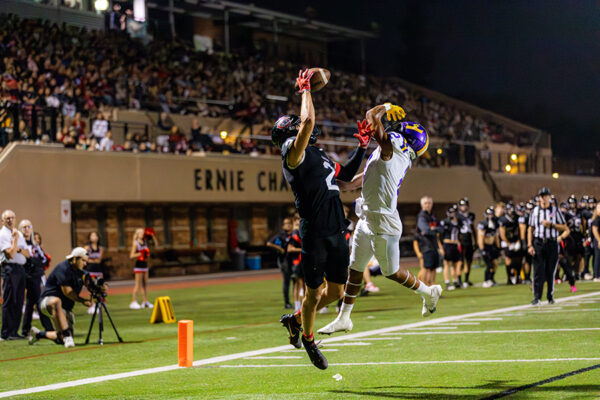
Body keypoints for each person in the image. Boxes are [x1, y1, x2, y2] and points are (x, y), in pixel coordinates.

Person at [274, 69, 368, 370]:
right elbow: (309, 121)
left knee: (338, 291)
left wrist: (363, 148)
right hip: (314, 231)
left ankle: (296, 320)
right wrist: (305, 90)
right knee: (314, 293)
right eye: (298, 126)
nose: (305, 127)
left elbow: (349, 178)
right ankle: (309, 339)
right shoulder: (293, 154)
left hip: (336, 230)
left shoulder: (321, 155)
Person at [318, 105, 441, 336]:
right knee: (355, 269)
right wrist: (327, 181)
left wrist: (385, 106)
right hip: (367, 217)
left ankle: (428, 292)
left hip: (384, 221)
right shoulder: (387, 155)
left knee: (390, 272)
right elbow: (355, 182)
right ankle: (343, 318)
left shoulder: (392, 149)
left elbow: (371, 118)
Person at [29, 247, 94, 348]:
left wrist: (99, 288)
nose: (85, 264)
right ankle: (67, 336)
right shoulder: (63, 268)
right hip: (47, 302)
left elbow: (94, 286)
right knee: (56, 301)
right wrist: (83, 301)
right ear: (75, 258)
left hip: (65, 308)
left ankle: (38, 334)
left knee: (60, 338)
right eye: (83, 260)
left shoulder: (82, 273)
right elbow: (68, 292)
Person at [527, 187, 570, 305]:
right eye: (541, 196)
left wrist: (551, 225)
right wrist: (530, 245)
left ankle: (550, 296)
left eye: (545, 196)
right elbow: (530, 229)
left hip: (551, 242)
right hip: (538, 243)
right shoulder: (534, 211)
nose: (543, 198)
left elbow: (564, 227)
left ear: (549, 197)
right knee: (537, 271)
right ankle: (537, 297)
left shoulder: (556, 211)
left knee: (550, 271)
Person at [19, 220, 53, 337]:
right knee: (37, 301)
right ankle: (48, 328)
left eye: (29, 227)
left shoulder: (35, 245)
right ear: (20, 229)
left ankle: (25, 330)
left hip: (35, 276)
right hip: (25, 275)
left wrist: (34, 263)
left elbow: (44, 259)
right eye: (24, 227)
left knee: (32, 302)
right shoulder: (19, 244)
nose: (27, 229)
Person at [0, 210, 30, 340]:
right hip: (10, 269)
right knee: (9, 300)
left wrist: (16, 248)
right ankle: (6, 332)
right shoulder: (2, 235)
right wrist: (16, 242)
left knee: (18, 301)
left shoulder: (17, 233)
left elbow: (27, 254)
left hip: (20, 269)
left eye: (12, 218)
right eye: (7, 218)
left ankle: (14, 332)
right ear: (2, 221)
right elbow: (10, 254)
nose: (10, 220)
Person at [266, 217, 293, 309]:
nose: (288, 225)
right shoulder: (281, 235)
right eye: (286, 224)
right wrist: (279, 248)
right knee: (286, 282)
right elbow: (269, 243)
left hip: (293, 261)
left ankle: (298, 302)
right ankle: (287, 303)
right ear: (283, 225)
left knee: (297, 282)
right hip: (284, 261)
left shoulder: (294, 234)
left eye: (290, 223)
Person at [129, 228, 157, 309]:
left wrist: (152, 236)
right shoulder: (136, 243)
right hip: (138, 265)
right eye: (140, 233)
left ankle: (145, 301)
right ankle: (133, 302)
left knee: (145, 284)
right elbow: (131, 256)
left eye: (143, 233)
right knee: (138, 285)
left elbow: (155, 244)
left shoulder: (145, 242)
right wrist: (140, 253)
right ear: (137, 234)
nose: (142, 234)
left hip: (145, 265)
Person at [417, 196, 441, 287]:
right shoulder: (422, 216)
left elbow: (441, 228)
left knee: (433, 268)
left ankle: (432, 288)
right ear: (422, 205)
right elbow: (426, 230)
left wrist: (433, 228)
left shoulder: (432, 216)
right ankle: (424, 289)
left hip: (434, 245)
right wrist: (434, 229)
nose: (427, 205)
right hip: (426, 246)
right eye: (425, 203)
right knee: (426, 268)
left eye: (429, 203)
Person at [438, 205, 462, 291]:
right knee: (446, 264)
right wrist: (441, 247)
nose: (453, 214)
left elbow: (458, 235)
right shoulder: (445, 222)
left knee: (454, 264)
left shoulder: (458, 222)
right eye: (452, 212)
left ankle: (455, 281)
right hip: (447, 244)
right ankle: (447, 283)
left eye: (454, 212)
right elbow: (438, 235)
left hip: (455, 245)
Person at [499, 202, 523, 285]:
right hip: (507, 242)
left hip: (516, 240)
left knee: (518, 258)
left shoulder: (517, 218)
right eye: (509, 209)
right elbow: (502, 234)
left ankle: (518, 276)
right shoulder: (503, 219)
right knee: (508, 258)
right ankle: (509, 277)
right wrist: (509, 244)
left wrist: (518, 241)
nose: (511, 211)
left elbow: (520, 230)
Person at [478, 207, 499, 288]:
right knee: (489, 264)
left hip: (492, 246)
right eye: (488, 214)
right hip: (486, 246)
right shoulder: (483, 223)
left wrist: (498, 245)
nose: (490, 216)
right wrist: (482, 248)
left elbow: (496, 235)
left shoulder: (495, 223)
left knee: (495, 264)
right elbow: (480, 237)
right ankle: (486, 280)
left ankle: (491, 279)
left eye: (491, 214)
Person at [286, 217, 304, 312]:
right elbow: (290, 249)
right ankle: (298, 306)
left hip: (304, 262)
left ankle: (302, 306)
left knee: (303, 285)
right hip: (296, 262)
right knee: (298, 284)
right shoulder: (295, 235)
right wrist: (302, 250)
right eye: (297, 224)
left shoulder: (303, 233)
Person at [457, 197, 476, 287]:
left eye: (465, 205)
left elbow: (472, 228)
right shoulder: (457, 216)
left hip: (469, 240)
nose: (463, 207)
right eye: (462, 206)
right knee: (460, 261)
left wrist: (475, 241)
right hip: (461, 240)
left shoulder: (471, 215)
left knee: (469, 260)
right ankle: (459, 280)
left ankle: (466, 279)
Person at [85, 231, 104, 314]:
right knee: (92, 288)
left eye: (96, 235)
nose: (94, 237)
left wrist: (93, 260)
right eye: (92, 235)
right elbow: (85, 259)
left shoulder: (101, 248)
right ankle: (92, 305)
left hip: (98, 270)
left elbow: (99, 260)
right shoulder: (87, 248)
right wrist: (92, 260)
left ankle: (99, 305)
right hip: (90, 269)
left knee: (100, 288)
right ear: (89, 237)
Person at [590, 202, 600, 281]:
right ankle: (597, 275)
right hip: (598, 239)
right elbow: (594, 230)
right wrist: (599, 240)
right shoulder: (597, 219)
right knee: (597, 257)